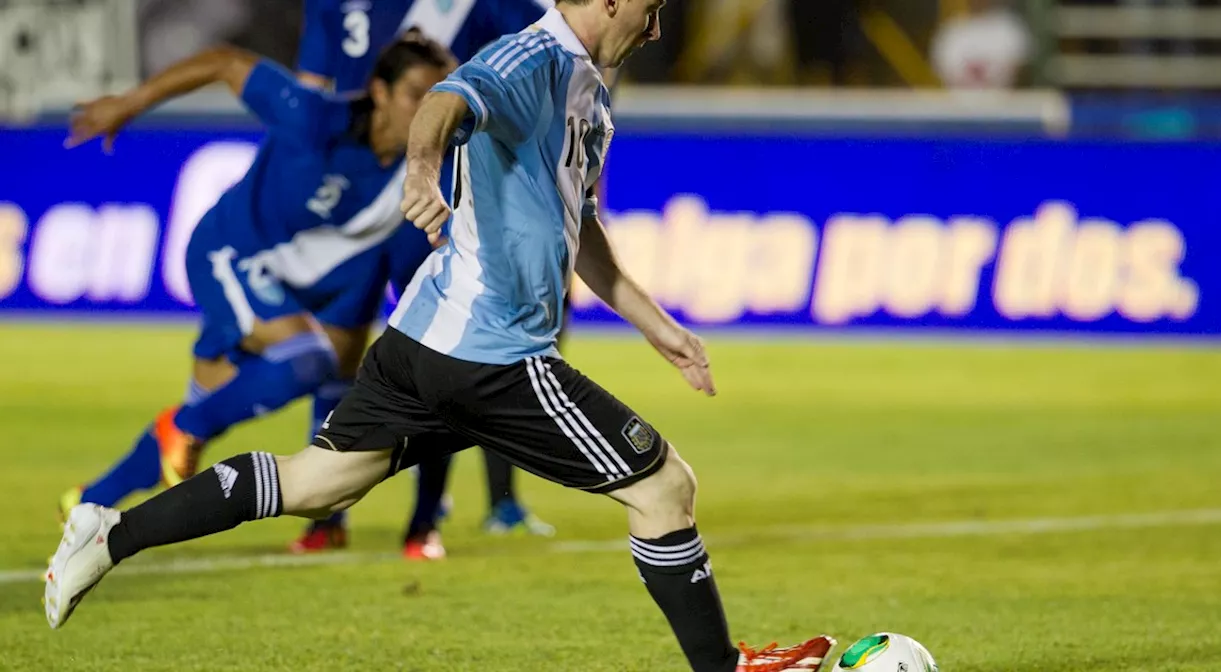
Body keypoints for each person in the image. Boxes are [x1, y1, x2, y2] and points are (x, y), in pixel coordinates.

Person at [45, 3, 835, 670]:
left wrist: (654, 324)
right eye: (652, 9)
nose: (658, 29)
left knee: (317, 486)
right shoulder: (532, 57)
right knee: (664, 487)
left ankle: (110, 535)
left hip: (422, 342)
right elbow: (443, 103)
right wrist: (422, 172)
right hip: (487, 353)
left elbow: (579, 224)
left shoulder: (590, 90)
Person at [57, 32, 455, 548]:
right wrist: (129, 103)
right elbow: (225, 62)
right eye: (418, 94)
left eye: (443, 95)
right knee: (298, 365)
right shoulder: (314, 118)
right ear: (379, 92)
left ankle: (91, 499)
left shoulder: (430, 166)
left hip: (326, 280)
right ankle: (186, 426)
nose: (433, 109)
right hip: (234, 255)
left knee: (311, 380)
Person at [288, 0, 559, 559]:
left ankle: (424, 521)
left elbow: (543, 71)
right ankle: (327, 515)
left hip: (431, 193)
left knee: (442, 355)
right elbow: (309, 97)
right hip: (361, 193)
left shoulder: (490, 8)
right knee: (338, 357)